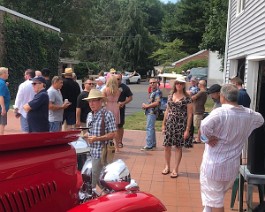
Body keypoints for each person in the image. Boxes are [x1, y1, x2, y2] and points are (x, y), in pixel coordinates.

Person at [199, 84, 264, 212]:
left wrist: (207, 138)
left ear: (222, 97)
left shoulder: (220, 113)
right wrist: (245, 130)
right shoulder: (249, 114)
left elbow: (204, 126)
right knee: (214, 197)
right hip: (232, 166)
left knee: (216, 201)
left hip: (214, 166)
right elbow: (260, 120)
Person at [82, 89, 116, 189]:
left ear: (101, 101)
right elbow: (91, 131)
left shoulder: (107, 114)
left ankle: (98, 197)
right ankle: (107, 195)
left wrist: (97, 138)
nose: (91, 103)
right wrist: (86, 135)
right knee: (96, 179)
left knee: (93, 179)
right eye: (89, 101)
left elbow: (113, 134)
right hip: (89, 152)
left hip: (101, 153)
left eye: (94, 100)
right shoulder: (89, 115)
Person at [161, 75, 193, 178]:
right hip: (170, 123)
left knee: (178, 147)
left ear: (184, 85)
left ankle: (176, 168)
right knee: (167, 146)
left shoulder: (187, 98)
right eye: (177, 83)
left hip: (180, 124)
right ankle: (167, 166)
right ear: (175, 85)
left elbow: (190, 114)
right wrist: (163, 124)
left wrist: (187, 129)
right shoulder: (171, 95)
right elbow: (167, 110)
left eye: (181, 83)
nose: (179, 85)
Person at [141, 78, 162, 151]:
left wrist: (147, 106)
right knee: (151, 128)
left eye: (153, 82)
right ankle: (152, 144)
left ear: (157, 83)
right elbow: (151, 102)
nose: (152, 84)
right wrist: (146, 106)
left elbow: (157, 102)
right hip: (150, 111)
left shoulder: (157, 92)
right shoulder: (153, 92)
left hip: (152, 112)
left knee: (149, 128)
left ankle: (149, 145)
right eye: (150, 83)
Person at [102, 76, 121, 151]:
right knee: (115, 128)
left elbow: (103, 99)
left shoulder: (105, 90)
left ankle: (108, 145)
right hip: (116, 107)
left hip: (108, 106)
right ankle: (117, 146)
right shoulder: (118, 90)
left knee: (107, 127)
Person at [115, 73, 133, 148]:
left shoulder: (125, 87)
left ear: (121, 79)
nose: (117, 80)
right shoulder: (109, 87)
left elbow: (130, 97)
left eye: (118, 79)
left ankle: (119, 142)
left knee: (120, 126)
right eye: (115, 79)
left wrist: (123, 103)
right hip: (111, 109)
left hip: (120, 109)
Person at [0, 67, 10, 135]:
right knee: (2, 124)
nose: (8, 74)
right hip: (1, 107)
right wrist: (3, 108)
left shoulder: (2, 83)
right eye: (6, 73)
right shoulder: (2, 84)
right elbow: (1, 96)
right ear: (3, 74)